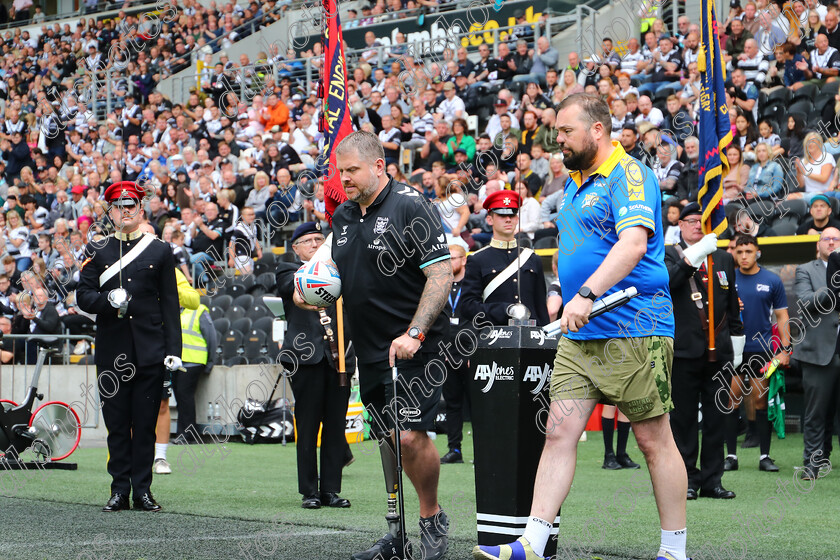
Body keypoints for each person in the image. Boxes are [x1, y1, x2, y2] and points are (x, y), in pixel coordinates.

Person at [474, 94, 685, 560]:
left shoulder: (630, 174)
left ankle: (674, 549)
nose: (558, 140)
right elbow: (574, 248)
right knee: (558, 433)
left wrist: (586, 295)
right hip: (581, 334)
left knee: (653, 439)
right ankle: (533, 539)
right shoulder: (573, 183)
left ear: (597, 130)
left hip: (636, 325)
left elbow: (631, 246)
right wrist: (558, 292)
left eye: (566, 131)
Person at [293, 132, 453, 560]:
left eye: (352, 171)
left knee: (407, 436)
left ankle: (431, 516)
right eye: (340, 171)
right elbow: (322, 275)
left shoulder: (410, 204)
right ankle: (396, 535)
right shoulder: (343, 216)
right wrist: (307, 292)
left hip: (416, 347)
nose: (344, 179)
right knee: (387, 438)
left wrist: (414, 333)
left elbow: (441, 276)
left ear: (379, 166)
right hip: (371, 350)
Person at [76, 181, 182, 513]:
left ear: (141, 208)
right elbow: (83, 297)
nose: (126, 211)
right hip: (113, 351)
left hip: (151, 349)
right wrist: (109, 300)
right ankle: (120, 489)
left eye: (131, 205)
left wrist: (174, 349)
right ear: (110, 211)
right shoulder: (98, 249)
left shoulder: (160, 250)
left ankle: (143, 491)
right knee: (118, 424)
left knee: (146, 423)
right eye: (119, 206)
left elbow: (169, 303)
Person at [664, 203, 742, 501]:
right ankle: (687, 480)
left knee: (716, 418)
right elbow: (670, 282)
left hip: (719, 352)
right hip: (685, 350)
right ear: (681, 224)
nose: (698, 225)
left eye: (703, 221)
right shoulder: (670, 254)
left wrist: (736, 343)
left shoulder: (722, 257)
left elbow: (731, 302)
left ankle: (712, 480)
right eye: (693, 221)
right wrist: (694, 254)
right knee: (683, 421)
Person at [277, 222, 354, 509]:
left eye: (320, 240)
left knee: (336, 426)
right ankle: (309, 490)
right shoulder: (287, 269)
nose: (314, 244)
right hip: (306, 359)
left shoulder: (342, 272)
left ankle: (331, 490)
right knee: (307, 426)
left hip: (340, 359)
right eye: (308, 240)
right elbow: (294, 288)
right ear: (295, 247)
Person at [725, 234, 790, 473]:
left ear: (757, 253)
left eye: (748, 251)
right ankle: (731, 456)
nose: (744, 256)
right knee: (731, 401)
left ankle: (764, 456)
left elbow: (782, 316)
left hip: (761, 350)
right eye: (739, 252)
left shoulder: (772, 280)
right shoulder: (726, 281)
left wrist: (785, 349)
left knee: (761, 402)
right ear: (734, 253)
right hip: (733, 349)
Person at [460, 190, 549, 327]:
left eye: (512, 215)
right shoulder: (477, 260)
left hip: (530, 338)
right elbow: (468, 306)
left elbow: (541, 307)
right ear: (490, 219)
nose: (508, 219)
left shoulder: (532, 258)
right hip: (493, 336)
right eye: (502, 215)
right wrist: (505, 310)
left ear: (517, 219)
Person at [795, 228, 840, 480]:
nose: (831, 241)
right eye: (827, 238)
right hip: (819, 350)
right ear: (818, 244)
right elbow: (804, 301)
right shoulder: (806, 269)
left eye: (836, 238)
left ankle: (826, 454)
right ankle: (812, 463)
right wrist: (833, 286)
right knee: (816, 412)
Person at [155, 264, 205, 473]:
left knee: (164, 403)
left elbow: (194, 299)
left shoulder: (168, 269)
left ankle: (160, 457)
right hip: (133, 343)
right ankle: (131, 456)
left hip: (165, 349)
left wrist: (165, 286)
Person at [440, 244, 470, 465]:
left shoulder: (472, 287)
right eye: (446, 258)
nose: (449, 262)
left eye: (453, 258)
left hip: (471, 355)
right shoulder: (439, 286)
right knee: (452, 403)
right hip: (447, 355)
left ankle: (484, 449)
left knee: (479, 406)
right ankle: (454, 449)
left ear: (464, 259)